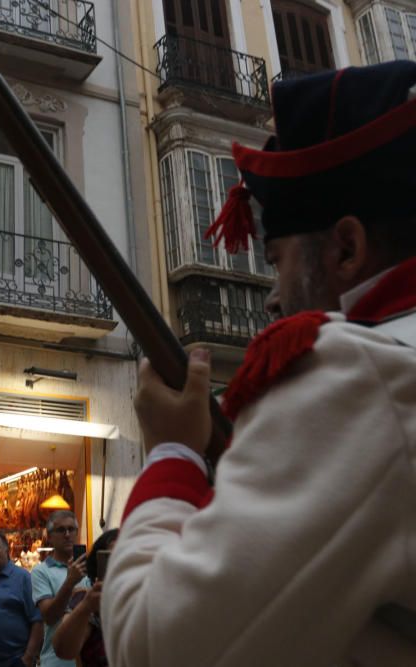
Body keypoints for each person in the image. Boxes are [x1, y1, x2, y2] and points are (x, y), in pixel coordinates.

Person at [102, 61, 416, 667]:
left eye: (277, 259)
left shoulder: (360, 374)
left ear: (346, 249)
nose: (272, 294)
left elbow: (154, 647)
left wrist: (172, 452)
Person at [0, 531, 42, 667]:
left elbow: (38, 621)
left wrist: (28, 658)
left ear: (6, 549)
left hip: (15, 661)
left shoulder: (24, 578)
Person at [51, 529, 118, 666]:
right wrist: (87, 606)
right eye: (113, 557)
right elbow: (63, 650)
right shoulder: (87, 599)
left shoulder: (146, 597)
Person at [31, 511, 85, 667]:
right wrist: (70, 582)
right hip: (56, 661)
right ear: (49, 536)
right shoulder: (41, 572)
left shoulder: (89, 567)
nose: (67, 534)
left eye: (71, 529)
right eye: (61, 530)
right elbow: (49, 616)